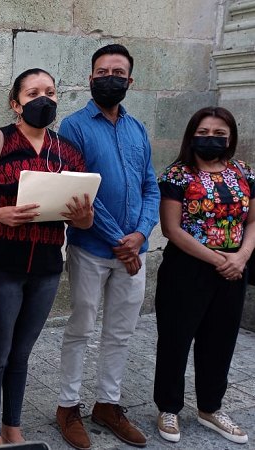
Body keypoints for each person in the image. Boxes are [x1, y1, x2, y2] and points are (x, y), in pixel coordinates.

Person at [0, 68, 94, 446]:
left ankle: (12, 426)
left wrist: (83, 216)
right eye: (33, 93)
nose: (44, 99)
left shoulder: (67, 152)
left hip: (46, 269)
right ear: (16, 104)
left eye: (50, 91)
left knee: (21, 354)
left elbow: (84, 217)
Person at [55, 44, 160, 450]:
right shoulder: (74, 126)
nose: (109, 78)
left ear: (129, 81)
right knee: (81, 328)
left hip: (134, 251)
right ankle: (68, 406)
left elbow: (150, 186)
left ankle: (107, 404)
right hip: (92, 249)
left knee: (120, 332)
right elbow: (81, 193)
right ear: (90, 78)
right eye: (102, 72)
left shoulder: (137, 130)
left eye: (118, 73)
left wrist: (141, 234)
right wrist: (120, 241)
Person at [154, 107, 251, 445]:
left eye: (219, 134)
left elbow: (253, 221)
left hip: (234, 269)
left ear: (230, 137)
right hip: (187, 268)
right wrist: (217, 259)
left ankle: (211, 408)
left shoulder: (244, 172)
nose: (212, 139)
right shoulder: (177, 175)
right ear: (191, 135)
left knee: (220, 340)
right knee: (175, 339)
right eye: (204, 132)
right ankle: (168, 407)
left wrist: (241, 257)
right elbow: (171, 228)